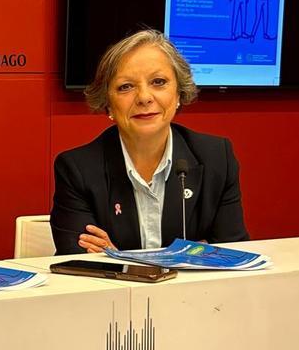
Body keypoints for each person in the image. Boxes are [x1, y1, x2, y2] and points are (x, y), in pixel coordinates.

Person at [50, 29, 248, 254]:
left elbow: (231, 252)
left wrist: (117, 257)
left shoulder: (216, 158)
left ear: (178, 94)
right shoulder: (78, 169)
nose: (144, 97)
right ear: (108, 103)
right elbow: (79, 261)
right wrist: (193, 253)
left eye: (158, 82)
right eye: (126, 87)